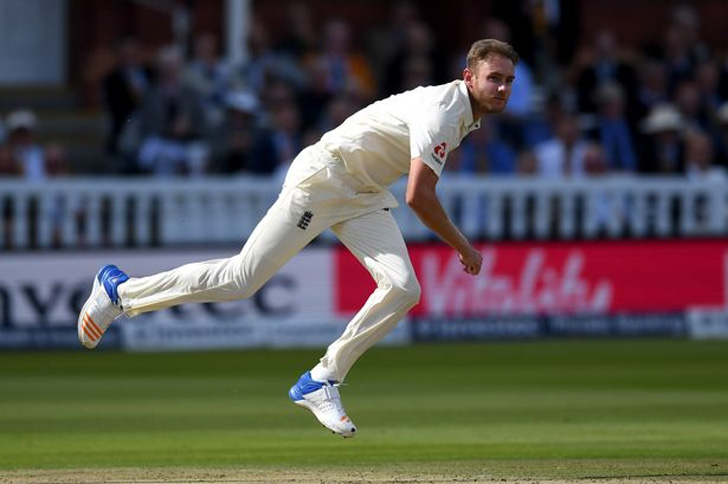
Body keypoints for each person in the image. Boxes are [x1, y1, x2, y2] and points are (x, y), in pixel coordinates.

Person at [77, 39, 518, 438]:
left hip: (362, 193)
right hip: (324, 180)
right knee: (241, 280)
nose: (501, 88)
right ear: (469, 77)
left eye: (508, 81)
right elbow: (418, 196)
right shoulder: (444, 111)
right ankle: (121, 291)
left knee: (404, 288)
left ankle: (321, 380)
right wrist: (464, 246)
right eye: (493, 78)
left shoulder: (465, 115)